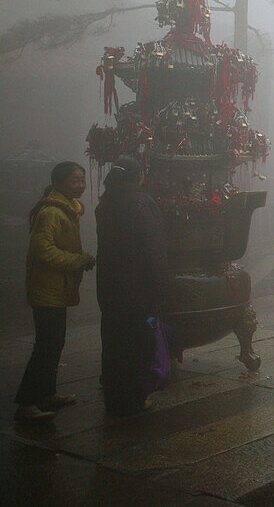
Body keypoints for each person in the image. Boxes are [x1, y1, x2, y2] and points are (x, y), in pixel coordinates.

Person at [14, 162, 96, 423]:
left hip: (56, 289)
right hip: (46, 289)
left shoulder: (68, 210)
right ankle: (27, 403)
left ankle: (46, 394)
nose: (81, 185)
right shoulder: (51, 213)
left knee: (54, 343)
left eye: (82, 180)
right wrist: (78, 260)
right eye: (75, 180)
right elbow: (43, 251)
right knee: (46, 345)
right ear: (59, 183)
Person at [95, 156, 170, 417]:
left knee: (114, 344)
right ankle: (134, 399)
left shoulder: (106, 202)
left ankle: (114, 398)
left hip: (110, 287)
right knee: (138, 345)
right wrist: (161, 287)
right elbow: (153, 250)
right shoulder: (141, 203)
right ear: (139, 176)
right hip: (138, 289)